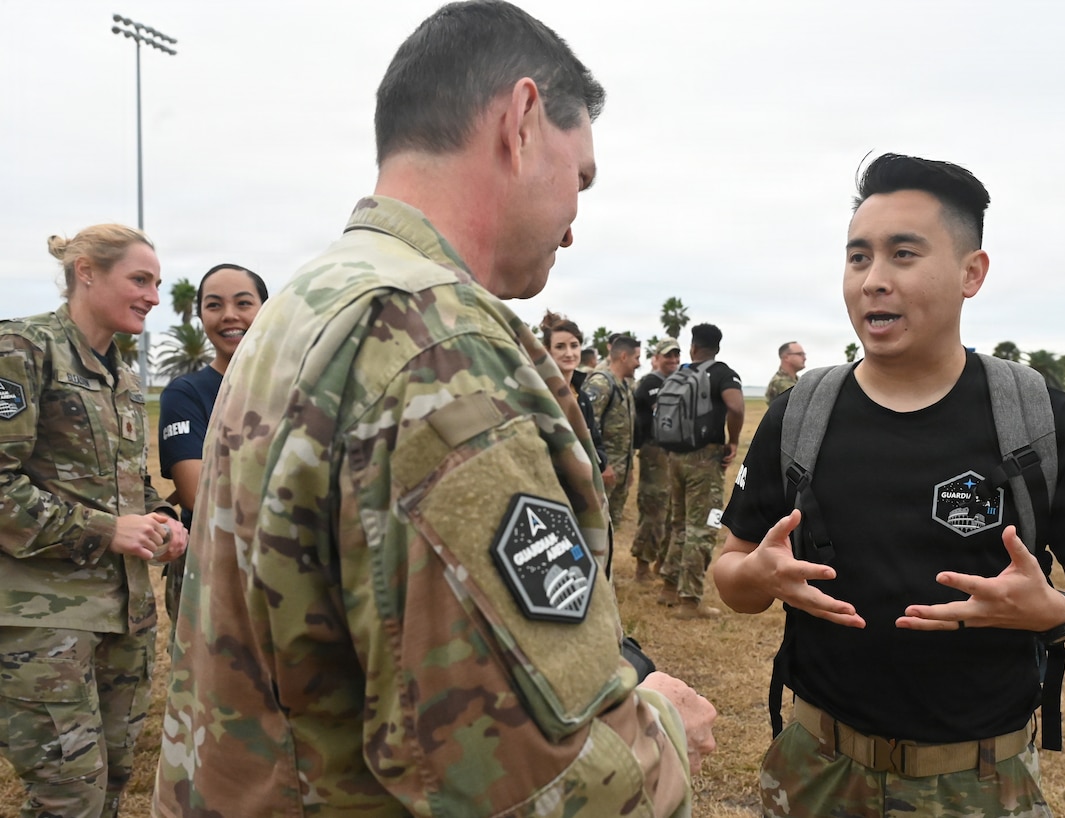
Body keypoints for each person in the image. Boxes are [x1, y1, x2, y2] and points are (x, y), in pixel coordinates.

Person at [153, 3, 714, 816]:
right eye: (579, 176)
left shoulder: (308, 301)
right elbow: (524, 779)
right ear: (521, 121)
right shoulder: (432, 348)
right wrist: (661, 723)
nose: (574, 221)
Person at [714, 153, 1065, 817]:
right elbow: (732, 575)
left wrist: (1055, 611)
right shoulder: (800, 414)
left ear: (972, 272)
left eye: (903, 255)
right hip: (814, 774)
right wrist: (756, 578)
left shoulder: (1037, 418)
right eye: (858, 259)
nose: (873, 281)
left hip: (980, 784)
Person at [0, 225, 188, 818]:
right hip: (41, 623)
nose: (154, 295)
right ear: (86, 271)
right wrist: (108, 530)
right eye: (140, 279)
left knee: (110, 788)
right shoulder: (23, 348)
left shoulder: (124, 379)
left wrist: (162, 520)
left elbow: (132, 487)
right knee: (68, 798)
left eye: (156, 283)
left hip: (125, 619)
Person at [157, 263, 268, 631]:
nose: (229, 316)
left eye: (243, 303)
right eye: (214, 305)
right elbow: (195, 492)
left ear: (265, 309)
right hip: (210, 568)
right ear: (200, 315)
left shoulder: (295, 385)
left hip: (285, 565)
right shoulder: (186, 394)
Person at [659, 322, 743, 619]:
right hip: (704, 459)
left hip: (674, 456)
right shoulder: (721, 372)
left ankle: (668, 587)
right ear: (717, 348)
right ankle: (689, 601)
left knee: (679, 522)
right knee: (704, 527)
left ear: (693, 347)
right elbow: (735, 406)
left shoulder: (680, 373)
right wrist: (732, 441)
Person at [631, 337, 681, 581]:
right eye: (668, 356)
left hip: (672, 451)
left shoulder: (677, 381)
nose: (673, 360)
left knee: (671, 509)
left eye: (676, 356)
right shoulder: (651, 382)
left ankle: (660, 562)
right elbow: (664, 412)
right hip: (655, 451)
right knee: (654, 508)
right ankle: (643, 564)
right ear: (657, 358)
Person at [583, 334, 641, 527]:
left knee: (611, 527)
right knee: (596, 527)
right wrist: (602, 464)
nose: (639, 364)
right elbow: (588, 427)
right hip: (603, 472)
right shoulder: (601, 383)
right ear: (624, 356)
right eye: (637, 358)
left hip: (619, 471)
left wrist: (629, 469)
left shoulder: (623, 385)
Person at [541, 310, 607, 474]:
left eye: (574, 345)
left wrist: (594, 462)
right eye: (560, 347)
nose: (569, 353)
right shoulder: (539, 393)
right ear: (548, 351)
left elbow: (597, 445)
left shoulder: (582, 397)